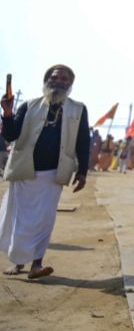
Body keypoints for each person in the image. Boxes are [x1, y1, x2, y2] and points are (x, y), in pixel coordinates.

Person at [1, 64, 89, 280]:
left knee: (44, 221)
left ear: (70, 84)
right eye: (55, 77)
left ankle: (36, 265)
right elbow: (11, 135)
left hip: (54, 173)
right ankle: (19, 262)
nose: (59, 82)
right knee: (20, 219)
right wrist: (8, 113)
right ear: (46, 80)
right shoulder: (29, 105)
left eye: (65, 79)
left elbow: (83, 141)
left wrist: (82, 172)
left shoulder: (78, 109)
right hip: (25, 171)